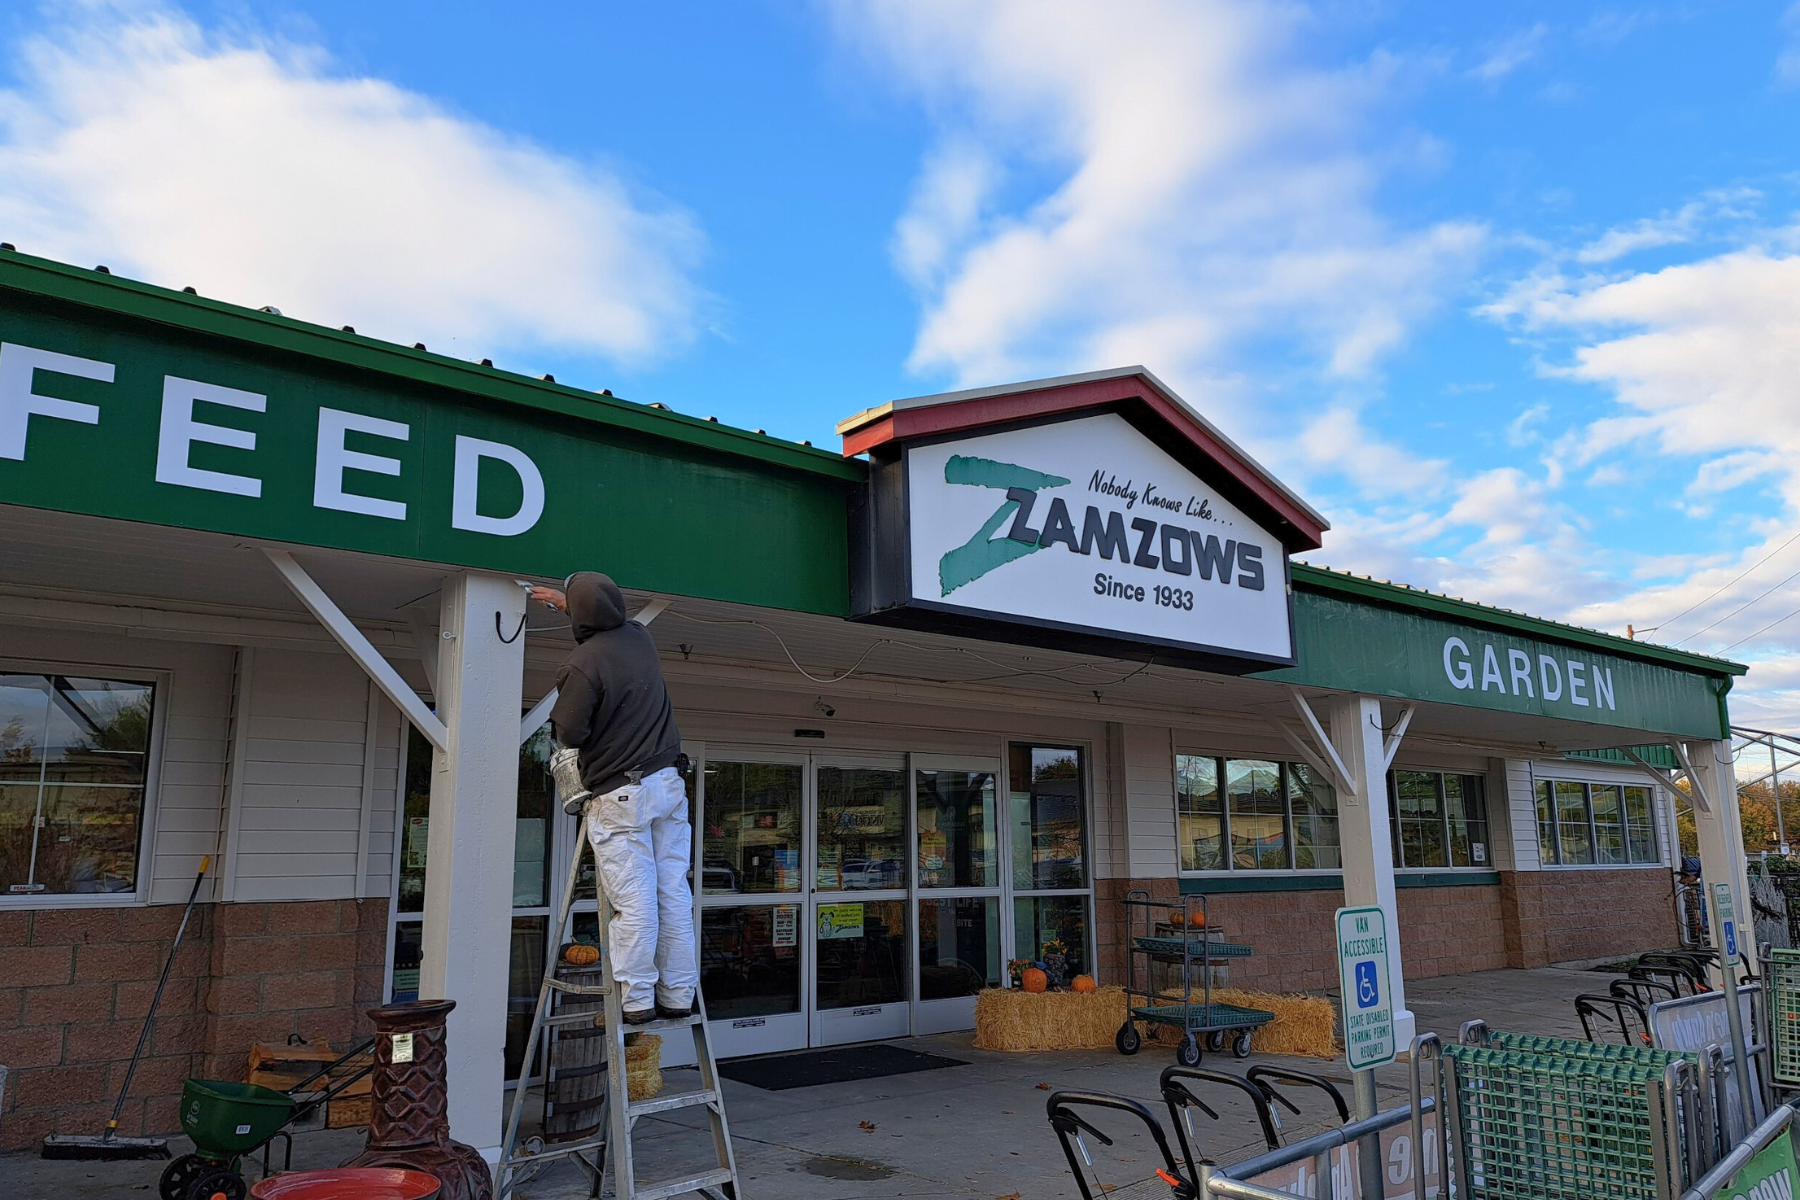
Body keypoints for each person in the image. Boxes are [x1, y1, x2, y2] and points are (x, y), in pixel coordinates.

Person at [532, 573, 697, 1025]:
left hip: (621, 795)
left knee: (636, 901)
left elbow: (570, 733)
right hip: (667, 786)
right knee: (673, 895)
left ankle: (638, 999)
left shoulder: (582, 665)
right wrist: (566, 601)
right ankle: (679, 994)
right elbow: (602, 612)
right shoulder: (639, 639)